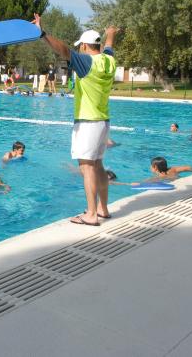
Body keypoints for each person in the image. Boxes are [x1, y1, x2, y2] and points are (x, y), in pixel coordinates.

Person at [34, 13, 118, 226]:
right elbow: (108, 46)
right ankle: (103, 209)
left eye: (80, 46)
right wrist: (110, 35)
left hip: (88, 122)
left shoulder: (86, 62)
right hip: (103, 120)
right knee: (98, 164)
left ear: (84, 46)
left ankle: (91, 214)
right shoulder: (108, 61)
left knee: (86, 167)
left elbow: (62, 50)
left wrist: (42, 33)